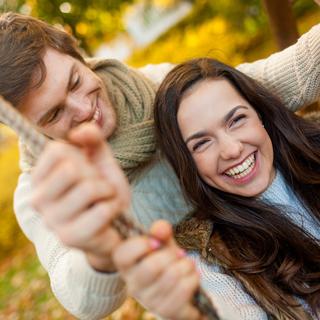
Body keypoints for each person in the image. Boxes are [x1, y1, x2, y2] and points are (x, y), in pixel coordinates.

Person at [0, 10, 319, 319]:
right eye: (54, 114)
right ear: (29, 128)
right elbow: (79, 297)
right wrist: (99, 249)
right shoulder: (43, 190)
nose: (84, 109)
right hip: (203, 276)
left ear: (79, 56)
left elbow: (262, 88)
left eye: (74, 81)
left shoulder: (148, 88)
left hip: (274, 226)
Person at [135, 57, 319, 319]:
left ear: (260, 114)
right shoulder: (211, 258)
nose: (232, 150)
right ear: (187, 165)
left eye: (236, 120)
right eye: (201, 143)